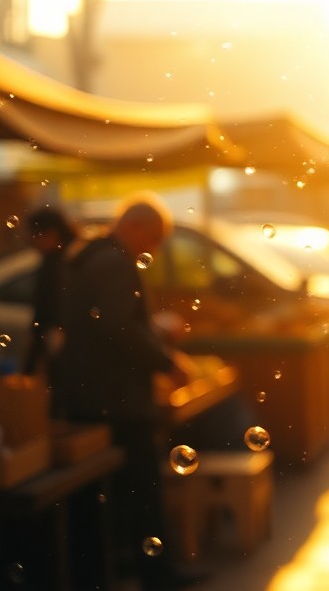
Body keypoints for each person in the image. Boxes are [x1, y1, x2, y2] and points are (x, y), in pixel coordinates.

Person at [56, 194, 197, 590]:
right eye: (151, 240)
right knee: (141, 491)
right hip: (116, 399)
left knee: (111, 496)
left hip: (93, 395)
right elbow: (118, 328)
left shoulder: (94, 256)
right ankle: (157, 577)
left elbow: (114, 324)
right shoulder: (112, 262)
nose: (150, 250)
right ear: (133, 226)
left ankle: (124, 570)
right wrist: (166, 362)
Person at [21, 206, 78, 380]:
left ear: (52, 233)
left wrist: (29, 367)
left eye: (36, 234)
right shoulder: (69, 257)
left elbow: (44, 310)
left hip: (66, 347)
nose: (32, 240)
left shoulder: (60, 264)